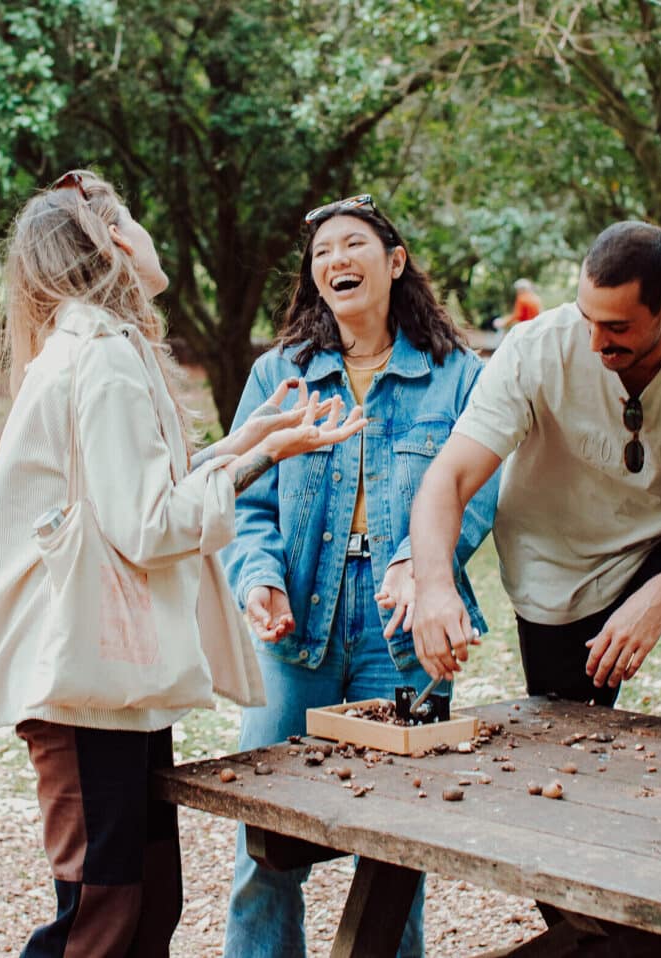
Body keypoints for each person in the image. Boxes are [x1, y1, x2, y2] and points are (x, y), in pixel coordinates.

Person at [0, 170, 366, 958]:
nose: (147, 236)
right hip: (83, 686)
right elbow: (150, 526)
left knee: (146, 906)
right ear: (114, 240)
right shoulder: (101, 358)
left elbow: (135, 497)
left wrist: (250, 445)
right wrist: (258, 458)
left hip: (114, 680)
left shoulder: (104, 349)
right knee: (101, 916)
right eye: (136, 222)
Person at [221, 193, 500, 958]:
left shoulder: (457, 377)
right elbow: (245, 500)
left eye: (352, 245)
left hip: (407, 627)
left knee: (396, 848)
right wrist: (257, 579)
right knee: (266, 830)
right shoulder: (282, 375)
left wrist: (420, 565)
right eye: (321, 254)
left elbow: (478, 494)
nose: (335, 261)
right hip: (298, 625)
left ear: (395, 262)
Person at [409, 220, 661, 736]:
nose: (594, 341)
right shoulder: (534, 349)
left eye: (616, 327)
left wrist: (657, 596)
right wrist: (433, 585)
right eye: (586, 317)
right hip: (560, 561)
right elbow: (448, 480)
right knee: (568, 743)